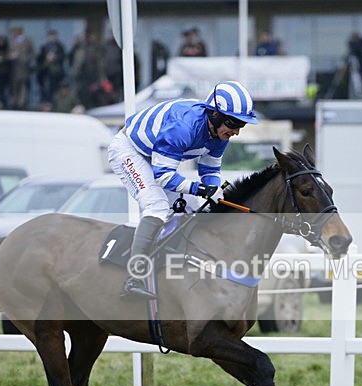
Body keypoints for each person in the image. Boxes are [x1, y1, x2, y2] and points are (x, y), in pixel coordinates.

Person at [108, 81, 258, 298]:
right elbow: (163, 176)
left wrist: (213, 191)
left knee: (197, 207)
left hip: (158, 157)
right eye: (233, 123)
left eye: (241, 126)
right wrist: (201, 189)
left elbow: (209, 170)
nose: (235, 131)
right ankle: (134, 278)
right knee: (157, 206)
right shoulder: (183, 126)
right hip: (130, 151)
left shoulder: (219, 134)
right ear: (214, 115)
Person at [36, 30, 66, 103]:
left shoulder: (59, 46)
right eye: (51, 36)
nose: (52, 38)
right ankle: (47, 102)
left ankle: (54, 102)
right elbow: (39, 58)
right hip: (46, 71)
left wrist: (55, 57)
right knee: (46, 88)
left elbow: (63, 56)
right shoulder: (44, 47)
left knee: (55, 88)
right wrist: (47, 58)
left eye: (53, 36)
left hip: (56, 72)